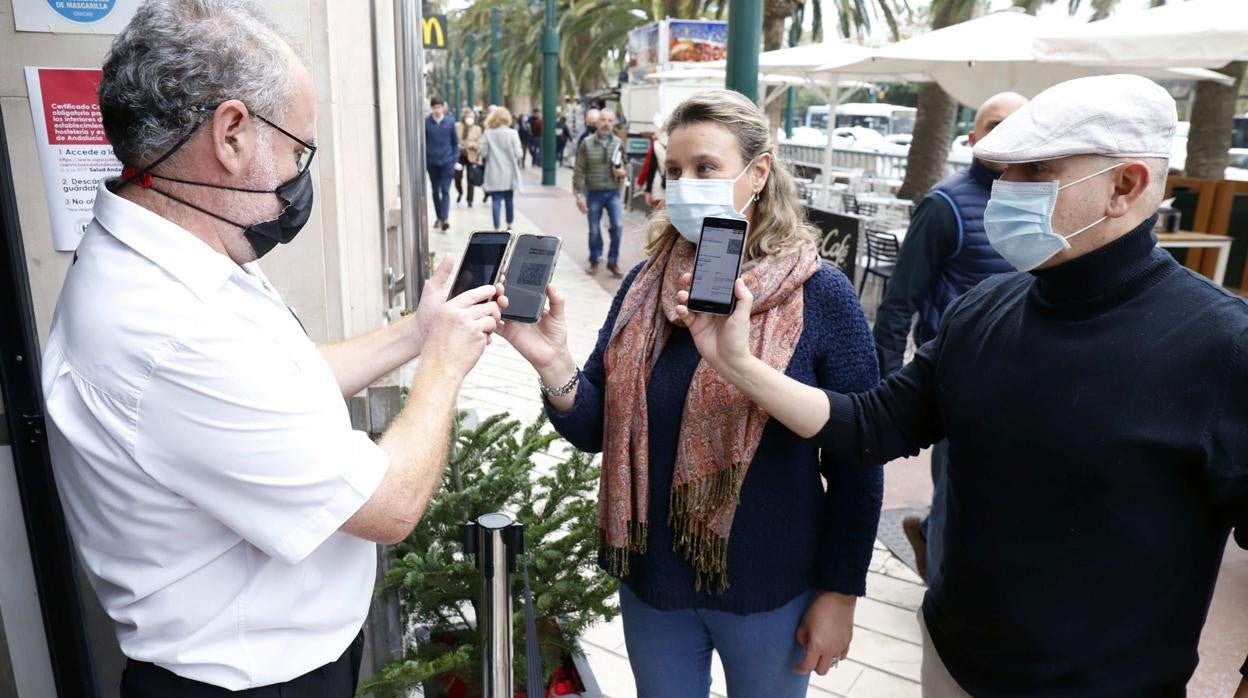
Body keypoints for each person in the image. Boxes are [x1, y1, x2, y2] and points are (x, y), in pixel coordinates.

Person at [680, 74, 1248, 697]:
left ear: (1125, 186)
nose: (1005, 192)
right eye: (1002, 172)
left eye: (1034, 173)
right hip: (950, 663)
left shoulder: (1221, 348)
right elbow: (871, 426)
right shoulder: (985, 308)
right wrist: (736, 363)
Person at [40, 1, 505, 694]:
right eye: (297, 148)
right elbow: (391, 505)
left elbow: (285, 388)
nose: (298, 173)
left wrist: (417, 330)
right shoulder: (173, 326)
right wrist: (441, 365)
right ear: (231, 133)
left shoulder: (179, 255)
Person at [500, 89, 883, 698]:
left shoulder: (822, 296)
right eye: (674, 170)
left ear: (758, 173)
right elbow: (594, 428)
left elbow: (859, 462)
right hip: (655, 589)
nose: (685, 184)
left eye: (706, 167)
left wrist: (840, 595)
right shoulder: (647, 285)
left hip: (769, 594)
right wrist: (555, 365)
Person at [870, 92, 1028, 583]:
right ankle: (942, 591)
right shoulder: (945, 205)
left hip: (1027, 374)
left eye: (1021, 124)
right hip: (959, 377)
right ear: (972, 137)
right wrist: (885, 393)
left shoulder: (1044, 201)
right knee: (961, 483)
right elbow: (900, 301)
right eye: (997, 123)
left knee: (1002, 488)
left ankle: (939, 538)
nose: (1008, 133)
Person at [573, 109, 627, 277]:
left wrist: (622, 172)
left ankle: (612, 261)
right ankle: (595, 259)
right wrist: (579, 195)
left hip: (612, 193)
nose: (606, 123)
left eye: (610, 120)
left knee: (617, 226)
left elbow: (624, 166)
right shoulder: (586, 143)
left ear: (614, 123)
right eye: (603, 120)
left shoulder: (618, 143)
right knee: (594, 229)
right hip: (594, 193)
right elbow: (579, 170)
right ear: (597, 122)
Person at [480, 106, 523, 231]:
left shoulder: (488, 133)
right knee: (509, 199)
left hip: (493, 171)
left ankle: (496, 227)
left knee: (496, 200)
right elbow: (518, 153)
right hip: (509, 172)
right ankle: (509, 224)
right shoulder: (512, 133)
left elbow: (483, 153)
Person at [425, 95, 459, 230]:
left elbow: (455, 143)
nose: (437, 110)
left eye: (439, 107)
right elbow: (423, 143)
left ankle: (444, 219)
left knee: (445, 190)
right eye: (434, 108)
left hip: (447, 163)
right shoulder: (426, 123)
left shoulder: (450, 122)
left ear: (443, 108)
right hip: (432, 163)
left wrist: (454, 159)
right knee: (435, 191)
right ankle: (439, 217)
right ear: (431, 109)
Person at [453, 109, 483, 207]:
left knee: (471, 178)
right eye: (468, 116)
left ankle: (470, 200)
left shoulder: (477, 129)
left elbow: (480, 142)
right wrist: (459, 145)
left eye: (472, 117)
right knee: (457, 176)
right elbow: (454, 139)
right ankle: (460, 192)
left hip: (471, 155)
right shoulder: (458, 126)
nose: (470, 119)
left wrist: (473, 144)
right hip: (460, 155)